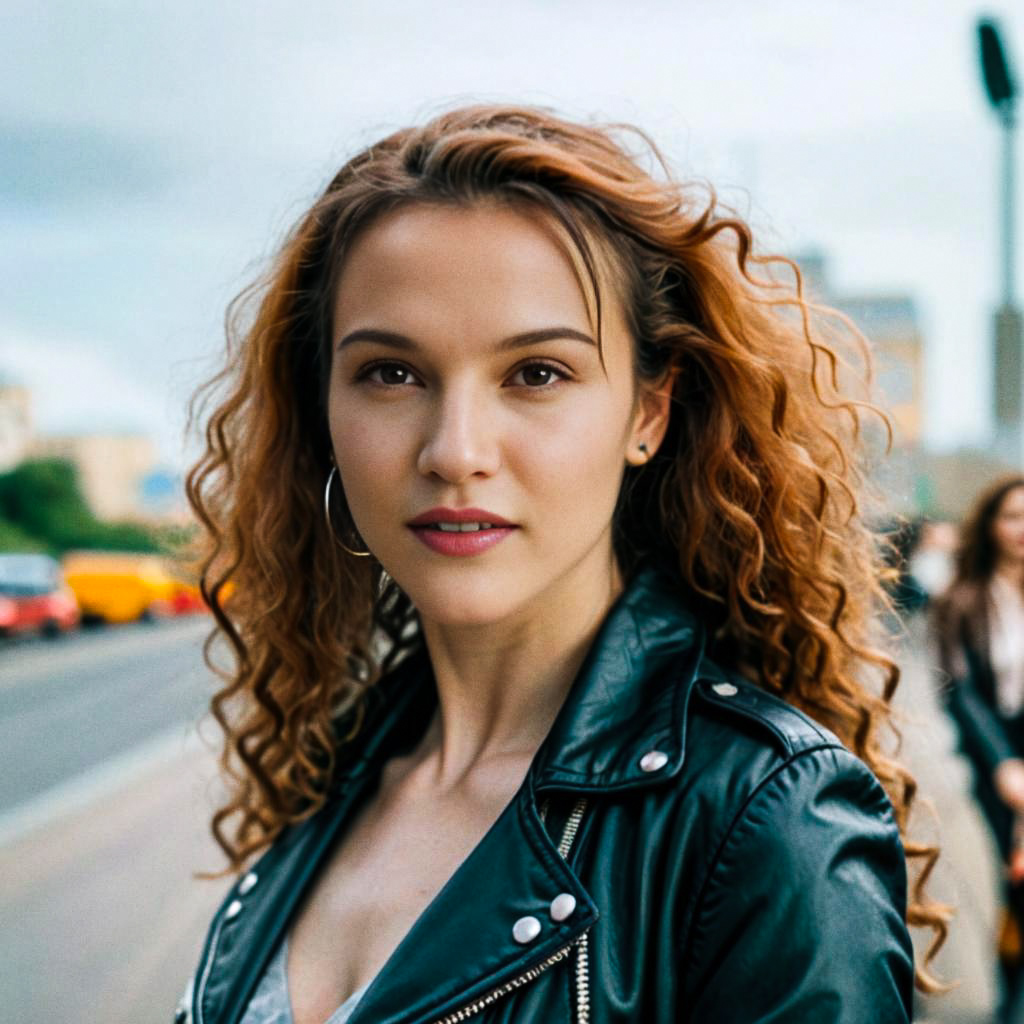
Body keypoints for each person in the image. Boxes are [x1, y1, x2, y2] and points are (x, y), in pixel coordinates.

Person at [177, 105, 947, 1024]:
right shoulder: (332, 772)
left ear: (649, 415)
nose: (455, 451)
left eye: (537, 373)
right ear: (324, 415)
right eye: (391, 373)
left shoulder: (765, 820)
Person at [932, 474, 1024, 1017]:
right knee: (1000, 881)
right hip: (995, 760)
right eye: (1011, 516)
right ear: (990, 525)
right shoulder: (961, 601)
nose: (1021, 530)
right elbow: (960, 692)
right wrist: (1004, 764)